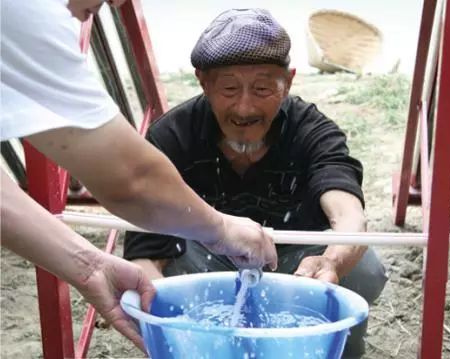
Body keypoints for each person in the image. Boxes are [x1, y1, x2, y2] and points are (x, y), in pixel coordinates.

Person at [0, 0, 277, 352]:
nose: (118, 3)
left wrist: (88, 264)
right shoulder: (26, 9)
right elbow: (130, 179)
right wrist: (220, 230)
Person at [124, 8, 387, 358]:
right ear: (203, 82)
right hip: (204, 260)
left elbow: (348, 213)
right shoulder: (171, 137)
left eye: (263, 88)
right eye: (229, 88)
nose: (245, 108)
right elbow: (144, 251)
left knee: (364, 267)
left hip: (295, 265)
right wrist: (171, 323)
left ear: (288, 81)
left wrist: (333, 262)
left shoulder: (312, 131)